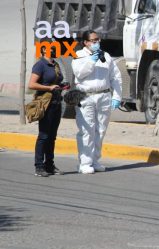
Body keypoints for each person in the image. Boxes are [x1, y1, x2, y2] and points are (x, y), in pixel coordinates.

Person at [71, 30, 122, 174]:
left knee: (100, 130)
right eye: (93, 40)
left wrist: (117, 96)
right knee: (87, 130)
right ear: (86, 42)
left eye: (97, 40)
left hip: (104, 95)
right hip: (86, 96)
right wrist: (91, 61)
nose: (96, 42)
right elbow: (80, 73)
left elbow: (115, 77)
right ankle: (84, 162)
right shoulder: (79, 56)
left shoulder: (105, 56)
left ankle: (95, 160)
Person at [28, 38, 65, 177]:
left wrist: (62, 86)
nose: (54, 48)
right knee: (44, 135)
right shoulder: (40, 65)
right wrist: (49, 87)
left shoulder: (55, 64)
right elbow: (31, 84)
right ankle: (39, 166)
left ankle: (50, 165)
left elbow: (56, 82)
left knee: (52, 136)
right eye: (51, 46)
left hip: (56, 103)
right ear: (43, 49)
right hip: (45, 104)